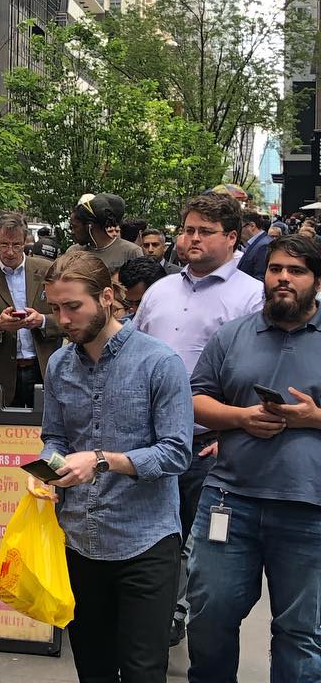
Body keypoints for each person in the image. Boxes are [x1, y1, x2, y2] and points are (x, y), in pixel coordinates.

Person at [40, 251, 193, 683]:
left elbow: (176, 450)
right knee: (96, 680)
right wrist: (50, 470)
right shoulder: (58, 364)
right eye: (54, 307)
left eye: (72, 306)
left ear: (109, 297)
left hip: (146, 545)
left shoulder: (158, 364)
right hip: (83, 542)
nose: (62, 318)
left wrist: (100, 459)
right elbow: (52, 436)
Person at [171, 234, 321, 683]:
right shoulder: (234, 335)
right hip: (229, 499)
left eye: (297, 271)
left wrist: (311, 419)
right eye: (276, 269)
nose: (283, 278)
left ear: (316, 281)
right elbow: (194, 398)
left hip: (308, 508)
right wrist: (238, 418)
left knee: (300, 628)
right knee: (210, 610)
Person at [133, 192, 263, 643]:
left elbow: (254, 376)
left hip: (209, 443)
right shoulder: (159, 291)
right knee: (152, 536)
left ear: (231, 237)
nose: (192, 239)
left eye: (204, 232)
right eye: (187, 229)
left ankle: (181, 614)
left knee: (199, 542)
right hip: (148, 441)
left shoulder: (252, 297)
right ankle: (153, 610)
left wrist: (233, 432)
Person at [0, 211, 60, 407]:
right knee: (1, 434)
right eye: (3, 245)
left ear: (26, 242)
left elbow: (68, 319)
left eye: (17, 245)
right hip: (0, 375)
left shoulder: (47, 270)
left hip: (42, 369)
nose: (10, 252)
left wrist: (42, 321)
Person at [65, 193, 144, 271]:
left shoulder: (131, 252)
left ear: (90, 226)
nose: (72, 232)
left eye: (74, 227)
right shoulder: (73, 252)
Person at [236, 207, 272, 281]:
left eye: (239, 228)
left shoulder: (263, 246)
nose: (236, 232)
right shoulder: (258, 243)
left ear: (252, 226)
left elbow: (260, 278)